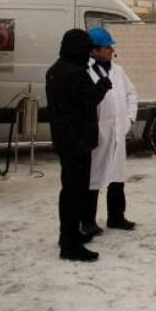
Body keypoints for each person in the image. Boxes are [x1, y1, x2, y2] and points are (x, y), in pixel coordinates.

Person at [46, 29, 112, 262]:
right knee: (75, 193)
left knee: (69, 191)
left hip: (65, 141)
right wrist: (105, 82)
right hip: (78, 143)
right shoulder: (75, 73)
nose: (89, 55)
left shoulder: (55, 70)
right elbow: (90, 98)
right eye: (86, 50)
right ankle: (71, 245)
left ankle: (69, 235)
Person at [81, 27, 138, 237]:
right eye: (107, 47)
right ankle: (87, 221)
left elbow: (131, 95)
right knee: (93, 178)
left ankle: (116, 217)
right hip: (99, 133)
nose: (112, 50)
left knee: (117, 177)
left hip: (117, 132)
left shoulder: (118, 71)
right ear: (94, 50)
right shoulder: (85, 71)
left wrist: (129, 119)